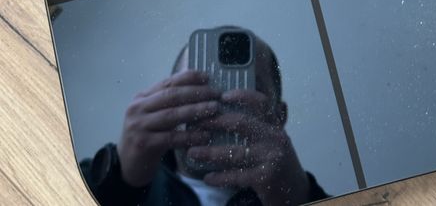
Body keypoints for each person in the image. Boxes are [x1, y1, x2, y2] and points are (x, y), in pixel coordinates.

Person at [80, 29, 328, 206]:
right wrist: (116, 181)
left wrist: (301, 198)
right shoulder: (112, 181)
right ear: (168, 98)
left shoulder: (291, 194)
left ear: (279, 117)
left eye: (246, 87)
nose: (219, 103)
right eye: (199, 87)